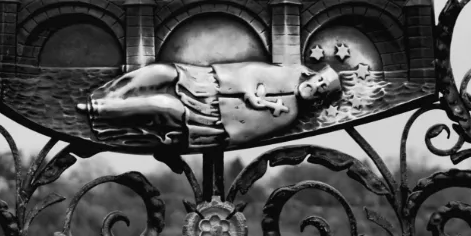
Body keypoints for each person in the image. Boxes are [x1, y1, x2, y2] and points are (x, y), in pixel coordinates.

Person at [78, 61, 344, 149]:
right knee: (161, 71)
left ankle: (99, 112)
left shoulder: (289, 115)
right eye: (319, 80)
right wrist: (251, 93)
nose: (315, 86)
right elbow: (249, 71)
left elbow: (245, 134)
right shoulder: (286, 74)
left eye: (321, 89)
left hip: (209, 120)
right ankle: (109, 94)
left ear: (319, 99)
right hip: (209, 82)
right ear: (313, 75)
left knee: (163, 105)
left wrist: (253, 106)